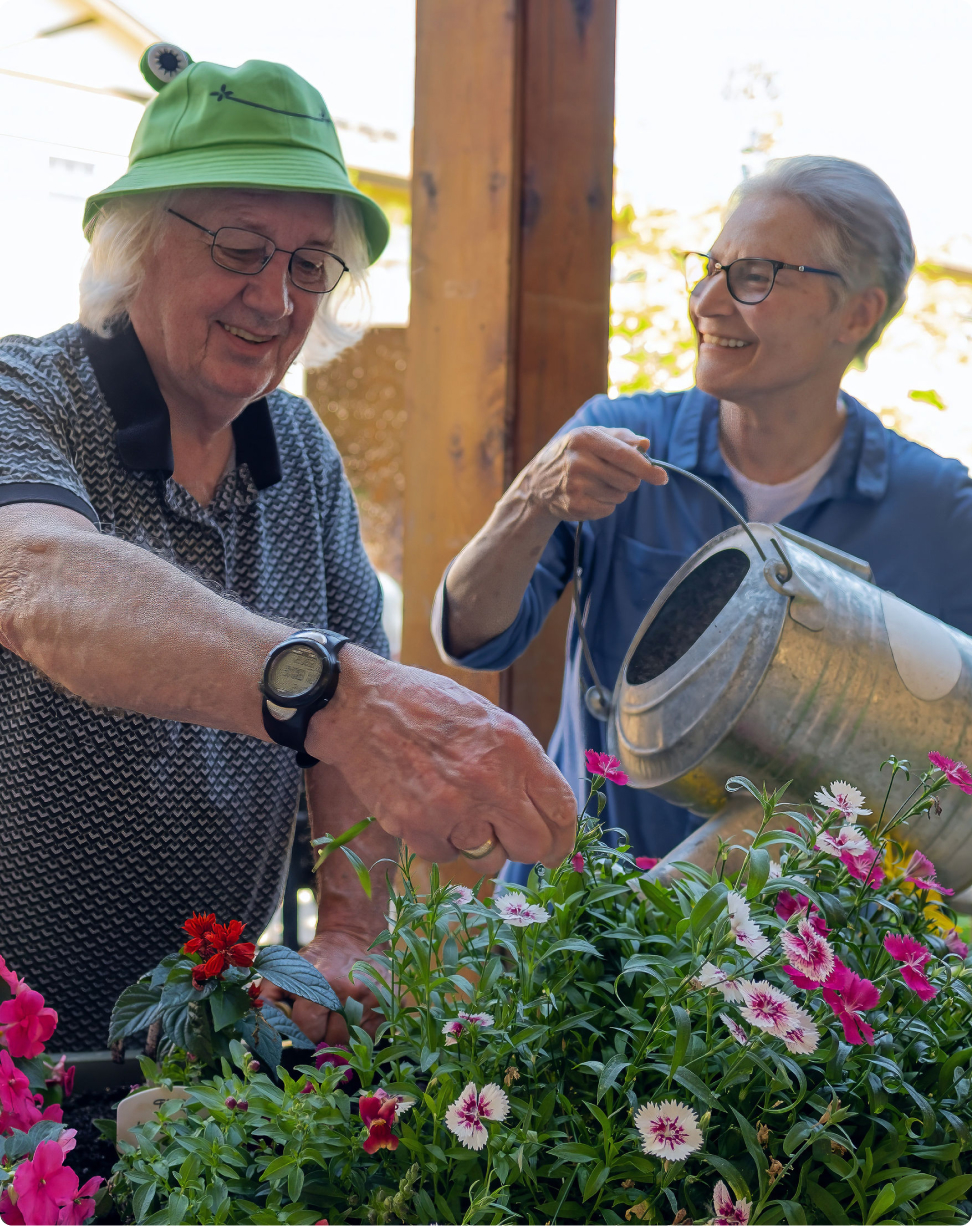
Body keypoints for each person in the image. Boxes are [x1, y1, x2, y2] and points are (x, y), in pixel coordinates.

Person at [0, 47, 576, 1052]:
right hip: (16, 1042)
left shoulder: (298, 447)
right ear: (137, 245)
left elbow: (348, 731)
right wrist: (338, 694)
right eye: (238, 246)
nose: (275, 300)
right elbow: (39, 580)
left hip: (203, 1030)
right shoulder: (28, 391)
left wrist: (352, 929)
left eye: (310, 266)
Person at [436, 155, 972, 883]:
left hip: (801, 977)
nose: (708, 302)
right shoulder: (616, 439)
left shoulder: (937, 510)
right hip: (570, 944)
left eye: (755, 275)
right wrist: (532, 499)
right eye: (709, 268)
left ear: (857, 312)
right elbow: (473, 636)